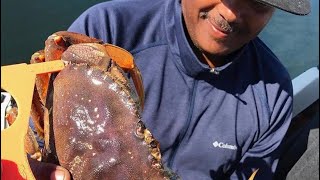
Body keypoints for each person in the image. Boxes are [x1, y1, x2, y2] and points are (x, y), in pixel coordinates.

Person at [8, 0, 310, 179]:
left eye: (256, 2)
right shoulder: (107, 29)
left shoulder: (272, 93)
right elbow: (34, 133)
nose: (230, 13)